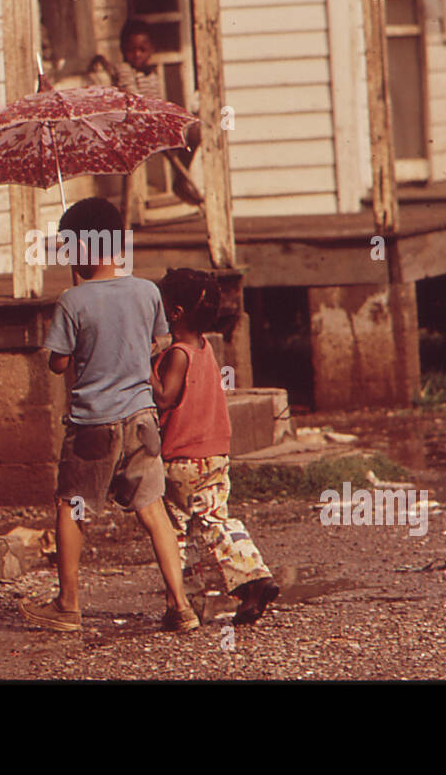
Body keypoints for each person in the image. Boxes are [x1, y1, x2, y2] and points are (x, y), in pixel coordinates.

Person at [19, 197, 200, 632]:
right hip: (141, 421)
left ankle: (67, 605)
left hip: (93, 425)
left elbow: (58, 363)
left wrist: (78, 328)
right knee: (153, 509)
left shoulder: (72, 301)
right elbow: (156, 343)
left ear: (79, 250)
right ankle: (181, 606)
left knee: (71, 506)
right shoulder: (146, 292)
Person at [151, 268, 279, 626]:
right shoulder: (204, 349)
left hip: (181, 459)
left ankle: (185, 603)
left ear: (174, 313)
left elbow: (165, 398)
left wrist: (142, 369)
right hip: (215, 454)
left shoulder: (177, 353)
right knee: (212, 520)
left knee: (176, 533)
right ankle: (251, 575)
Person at [114, 19, 204, 207]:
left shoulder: (150, 73)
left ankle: (180, 179)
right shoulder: (125, 70)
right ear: (123, 50)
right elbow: (134, 100)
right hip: (137, 126)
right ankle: (181, 180)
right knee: (189, 131)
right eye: (131, 50)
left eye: (142, 49)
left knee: (196, 130)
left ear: (152, 49)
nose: (136, 54)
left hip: (154, 124)